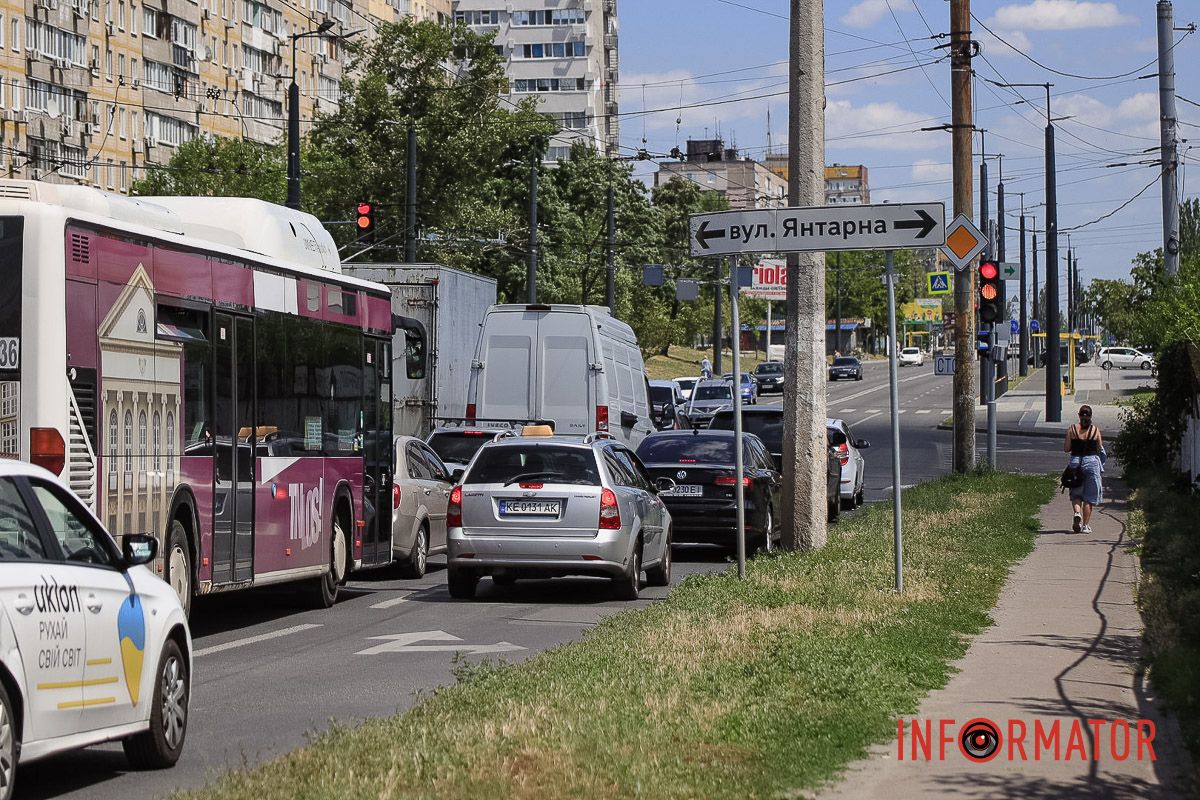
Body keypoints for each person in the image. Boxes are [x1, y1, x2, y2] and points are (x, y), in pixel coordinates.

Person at [1064, 405, 1103, 533]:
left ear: (1079, 415)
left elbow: (1066, 448)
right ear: (1091, 416)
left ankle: (1077, 513)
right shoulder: (1095, 430)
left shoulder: (1072, 429)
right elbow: (1099, 448)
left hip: (1075, 463)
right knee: (1089, 496)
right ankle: (1085, 526)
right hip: (1091, 462)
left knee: (1076, 492)